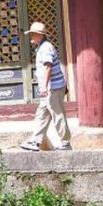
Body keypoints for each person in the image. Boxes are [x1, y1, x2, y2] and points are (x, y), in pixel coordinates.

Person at [18, 22, 72, 151]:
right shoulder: (42, 47)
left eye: (33, 34)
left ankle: (65, 142)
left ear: (39, 35)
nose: (31, 36)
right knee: (42, 114)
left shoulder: (46, 47)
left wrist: (44, 87)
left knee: (57, 114)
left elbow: (48, 67)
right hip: (50, 88)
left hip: (52, 88)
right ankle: (36, 141)